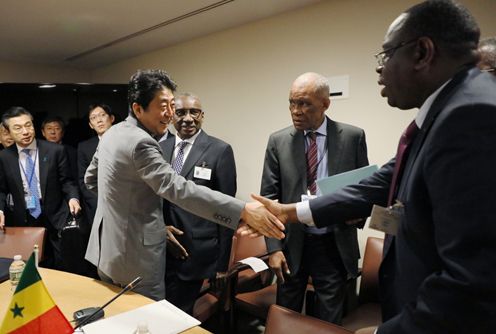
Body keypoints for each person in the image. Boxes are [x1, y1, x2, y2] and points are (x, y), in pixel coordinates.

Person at [247, 1, 496, 333]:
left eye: (386, 55)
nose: (380, 69)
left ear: (422, 52)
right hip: (300, 245)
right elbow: (381, 181)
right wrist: (291, 212)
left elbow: (474, 279)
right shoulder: (446, 112)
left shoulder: (471, 116)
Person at [84, 69, 285, 301]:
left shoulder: (112, 132)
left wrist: (130, 213)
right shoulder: (142, 142)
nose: (170, 114)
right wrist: (243, 211)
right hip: (136, 260)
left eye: (172, 105)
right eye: (163, 106)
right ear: (138, 108)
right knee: (148, 321)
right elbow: (178, 188)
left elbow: (92, 180)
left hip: (107, 253)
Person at [261, 72, 368, 324]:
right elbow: (268, 197)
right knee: (286, 316)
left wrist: (358, 213)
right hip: (292, 244)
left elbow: (364, 189)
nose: (295, 110)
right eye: (292, 102)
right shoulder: (278, 141)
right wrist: (273, 250)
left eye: (304, 103)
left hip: (333, 243)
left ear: (325, 104)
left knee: (328, 321)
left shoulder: (353, 137)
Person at [161, 92, 237, 314]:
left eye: (194, 112)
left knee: (181, 316)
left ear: (202, 115)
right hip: (162, 249)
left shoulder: (219, 150)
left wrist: (222, 266)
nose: (187, 118)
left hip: (197, 254)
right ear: (171, 115)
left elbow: (227, 210)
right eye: (181, 112)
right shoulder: (159, 148)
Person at [0, 107, 81, 268]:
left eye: (28, 125)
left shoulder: (55, 151)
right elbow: (1, 190)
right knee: (31, 267)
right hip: (24, 219)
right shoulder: (4, 157)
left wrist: (73, 197)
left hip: (56, 216)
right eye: (18, 128)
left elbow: (67, 181)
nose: (25, 131)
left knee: (62, 265)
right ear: (8, 131)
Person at [77, 103, 115, 227]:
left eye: (102, 115)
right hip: (96, 204)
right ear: (90, 125)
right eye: (93, 118)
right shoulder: (84, 147)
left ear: (111, 118)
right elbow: (83, 180)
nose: (99, 120)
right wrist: (97, 201)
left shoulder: (126, 141)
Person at [41, 116, 78, 181]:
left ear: (63, 132)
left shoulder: (72, 152)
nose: (53, 132)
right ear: (43, 132)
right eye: (49, 128)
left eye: (57, 128)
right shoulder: (38, 152)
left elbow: (75, 176)